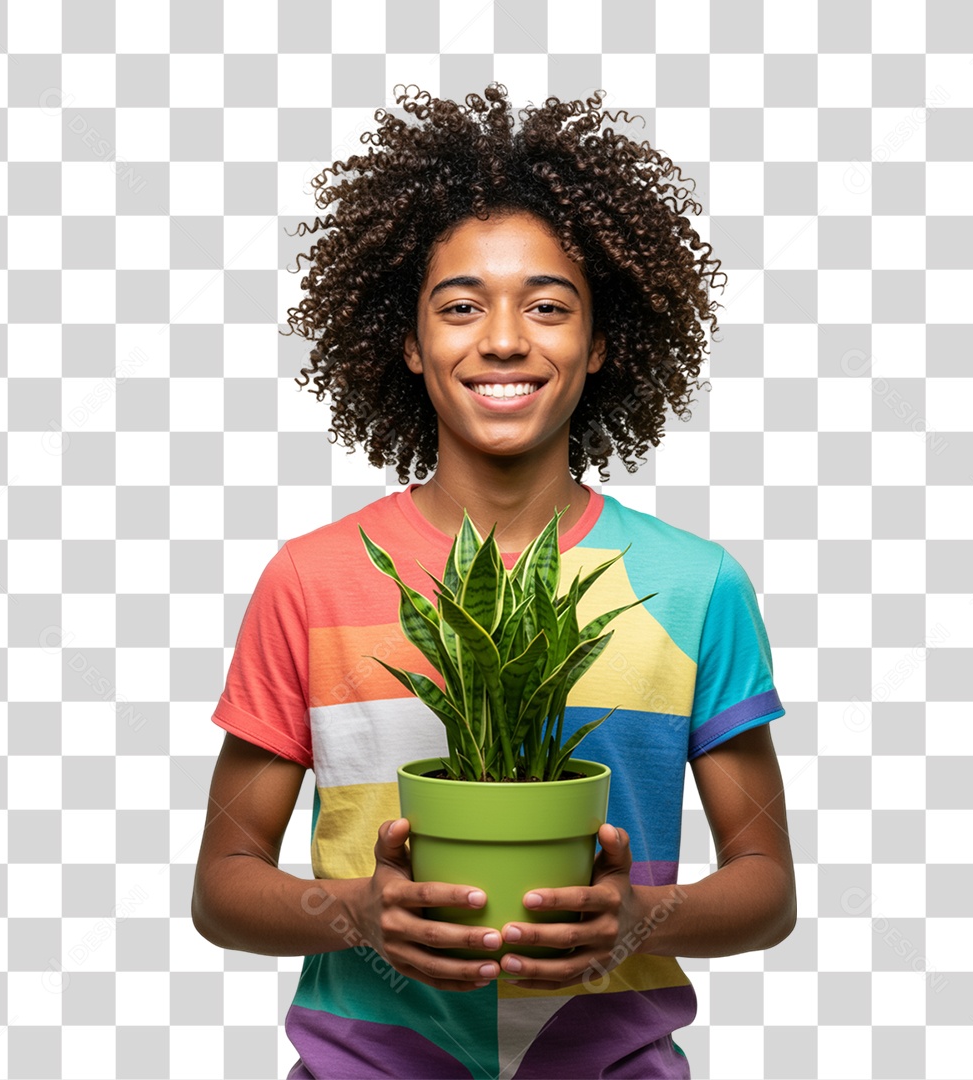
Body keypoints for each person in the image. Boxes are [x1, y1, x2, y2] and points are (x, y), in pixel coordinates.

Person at [192, 84, 796, 1079]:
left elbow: (767, 886)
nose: (505, 339)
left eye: (548, 307)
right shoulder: (310, 580)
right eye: (461, 305)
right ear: (408, 341)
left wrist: (643, 917)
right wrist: (356, 912)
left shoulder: (697, 585)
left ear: (601, 343)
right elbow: (222, 886)